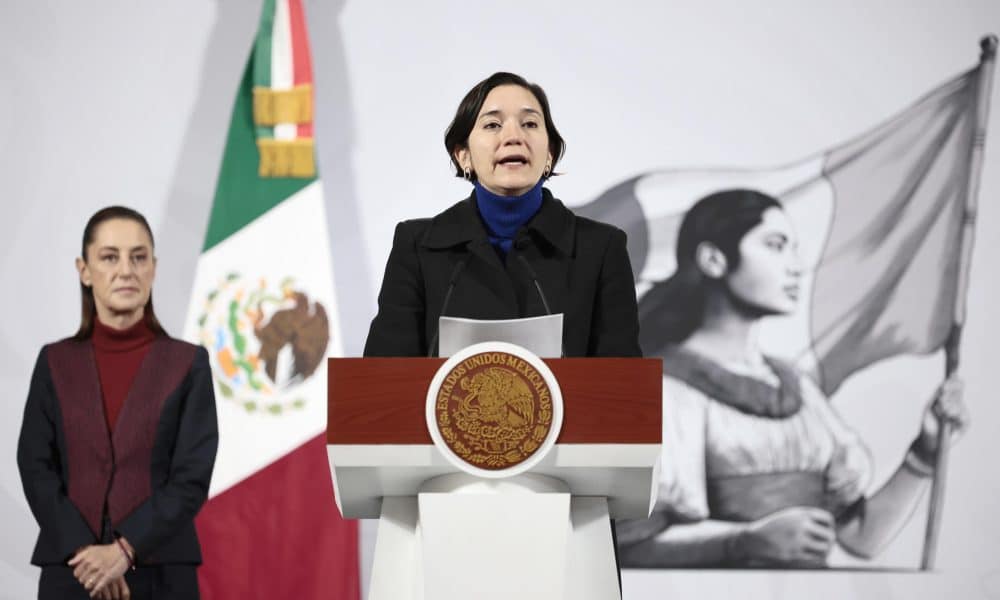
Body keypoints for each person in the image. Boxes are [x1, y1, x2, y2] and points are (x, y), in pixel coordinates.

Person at [617, 189, 969, 568]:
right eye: (776, 245)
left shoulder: (796, 387)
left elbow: (860, 538)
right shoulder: (662, 387)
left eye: (793, 248)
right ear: (713, 259)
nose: (796, 266)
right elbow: (629, 546)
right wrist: (744, 542)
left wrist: (925, 452)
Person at [363, 71, 641, 359]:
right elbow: (383, 379)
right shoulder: (417, 247)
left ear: (549, 154)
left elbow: (623, 388)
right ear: (463, 155)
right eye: (493, 124)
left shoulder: (601, 249)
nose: (513, 136)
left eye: (530, 123)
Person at [17, 206, 218, 599]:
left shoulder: (188, 363)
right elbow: (35, 465)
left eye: (138, 257)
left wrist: (124, 551)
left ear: (154, 269)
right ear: (84, 270)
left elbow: (191, 477)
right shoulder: (54, 362)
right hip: (73, 573)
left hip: (162, 575)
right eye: (110, 257)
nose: (126, 270)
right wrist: (87, 554)